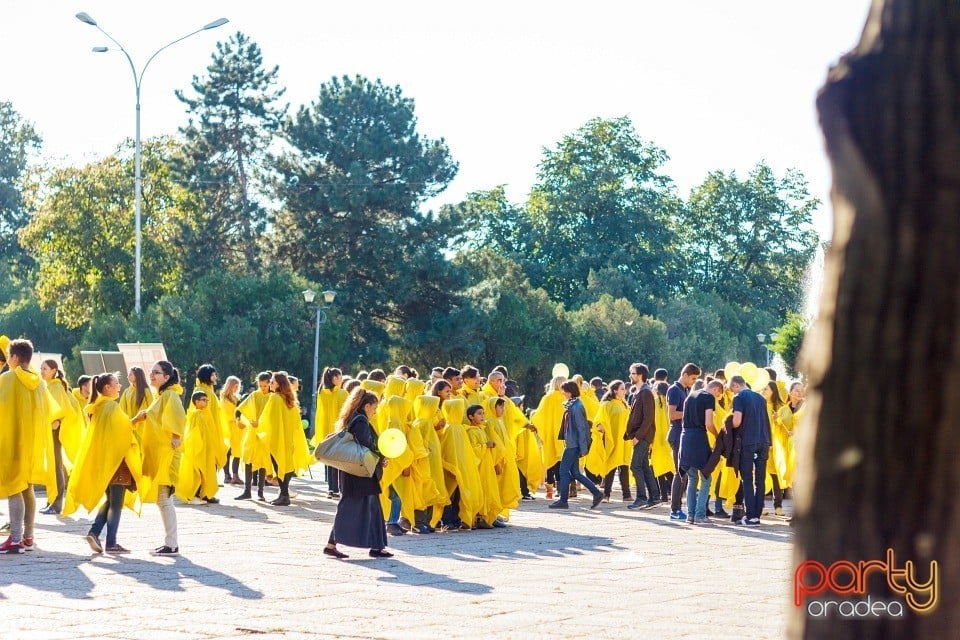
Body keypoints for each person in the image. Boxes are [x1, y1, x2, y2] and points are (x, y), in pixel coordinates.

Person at [64, 372, 142, 554]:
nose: (119, 386)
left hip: (104, 462)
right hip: (116, 462)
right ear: (107, 387)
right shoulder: (111, 407)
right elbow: (122, 431)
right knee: (116, 504)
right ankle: (110, 541)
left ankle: (95, 532)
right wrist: (137, 420)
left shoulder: (98, 407)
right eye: (116, 383)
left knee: (111, 501)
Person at [0, 339, 56, 554]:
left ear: (14, 357)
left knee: (14, 487)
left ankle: (15, 540)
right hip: (33, 444)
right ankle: (28, 537)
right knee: (27, 488)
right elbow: (50, 412)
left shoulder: (7, 379)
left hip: (13, 441)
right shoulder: (39, 382)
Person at [324, 388, 392, 559]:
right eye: (374, 408)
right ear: (367, 405)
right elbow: (366, 443)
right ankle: (331, 544)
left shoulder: (353, 417)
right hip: (359, 474)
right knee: (349, 508)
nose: (375, 412)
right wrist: (381, 456)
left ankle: (377, 546)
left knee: (372, 508)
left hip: (357, 472)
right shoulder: (360, 420)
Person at [134, 360, 186, 557]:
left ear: (167, 377)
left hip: (167, 453)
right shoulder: (162, 395)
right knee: (162, 500)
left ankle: (171, 545)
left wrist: (175, 437)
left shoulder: (171, 394)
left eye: (156, 373)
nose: (152, 375)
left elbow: (178, 417)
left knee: (164, 500)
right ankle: (170, 543)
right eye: (151, 372)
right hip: (159, 453)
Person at [548, 381, 604, 510]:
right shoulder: (573, 405)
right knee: (575, 473)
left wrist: (583, 448)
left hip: (573, 445)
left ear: (570, 391)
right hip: (572, 443)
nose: (562, 393)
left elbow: (581, 428)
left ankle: (563, 500)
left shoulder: (577, 406)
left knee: (563, 470)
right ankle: (597, 493)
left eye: (564, 390)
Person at [39, 359, 83, 515]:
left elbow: (64, 408)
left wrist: (57, 420)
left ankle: (56, 503)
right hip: (51, 430)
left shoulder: (56, 386)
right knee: (55, 466)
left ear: (54, 370)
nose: (42, 371)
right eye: (41, 368)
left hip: (55, 431)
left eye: (45, 368)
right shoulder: (51, 386)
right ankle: (52, 501)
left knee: (56, 466)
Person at [729, 375, 772, 526]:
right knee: (760, 480)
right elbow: (767, 421)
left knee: (747, 479)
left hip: (748, 442)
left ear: (735, 385)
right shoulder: (761, 398)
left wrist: (727, 424)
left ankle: (750, 515)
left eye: (731, 389)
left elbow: (737, 421)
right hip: (764, 441)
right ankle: (757, 515)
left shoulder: (739, 397)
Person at [679, 380, 722, 524]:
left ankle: (690, 515)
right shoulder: (708, 397)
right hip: (698, 438)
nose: (717, 397)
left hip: (685, 438)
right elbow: (709, 423)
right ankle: (700, 514)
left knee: (692, 478)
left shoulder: (689, 396)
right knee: (706, 477)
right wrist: (717, 436)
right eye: (719, 394)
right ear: (716, 389)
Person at [667, 364, 701, 520]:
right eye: (693, 378)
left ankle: (679, 508)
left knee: (685, 473)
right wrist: (690, 412)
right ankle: (675, 510)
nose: (694, 382)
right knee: (680, 473)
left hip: (684, 434)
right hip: (676, 434)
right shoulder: (674, 390)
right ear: (685, 375)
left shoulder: (685, 390)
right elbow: (672, 415)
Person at [624, 363, 660, 509]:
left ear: (640, 375)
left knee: (635, 466)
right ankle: (655, 497)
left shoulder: (646, 392)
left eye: (632, 373)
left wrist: (638, 436)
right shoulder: (639, 392)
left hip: (643, 436)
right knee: (644, 466)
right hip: (640, 435)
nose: (630, 376)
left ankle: (641, 498)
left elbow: (648, 418)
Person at [220, 376, 244, 485]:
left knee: (237, 451)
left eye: (238, 386)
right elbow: (227, 414)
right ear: (230, 386)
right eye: (235, 386)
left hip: (237, 428)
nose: (237, 388)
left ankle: (235, 475)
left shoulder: (237, 398)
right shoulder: (224, 399)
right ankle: (227, 475)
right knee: (227, 452)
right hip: (227, 428)